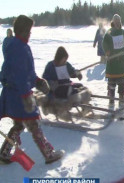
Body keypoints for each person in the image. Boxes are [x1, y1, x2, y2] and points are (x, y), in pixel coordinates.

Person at [0, 15, 64, 164]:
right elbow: (20, 75)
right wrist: (26, 96)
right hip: (19, 95)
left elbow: (26, 72)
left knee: (20, 124)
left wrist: (38, 81)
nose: (30, 34)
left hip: (14, 93)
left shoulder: (16, 45)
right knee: (33, 124)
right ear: (22, 31)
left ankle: (5, 152)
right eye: (28, 31)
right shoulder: (19, 48)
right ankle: (49, 154)